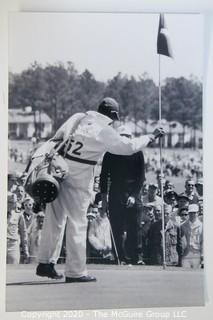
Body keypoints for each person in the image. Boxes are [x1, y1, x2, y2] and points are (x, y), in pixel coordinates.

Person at [33, 97, 164, 282]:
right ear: (114, 114)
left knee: (54, 218)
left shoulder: (78, 117)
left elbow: (58, 137)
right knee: (78, 223)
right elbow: (128, 147)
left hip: (59, 169)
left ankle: (45, 262)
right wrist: (150, 136)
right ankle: (75, 272)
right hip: (80, 175)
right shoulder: (105, 130)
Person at [100, 124, 145, 265]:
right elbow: (103, 177)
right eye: (122, 137)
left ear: (131, 138)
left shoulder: (137, 153)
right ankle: (120, 257)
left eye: (127, 137)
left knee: (135, 227)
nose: (124, 140)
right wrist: (104, 199)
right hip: (116, 193)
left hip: (134, 193)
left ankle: (137, 257)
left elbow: (141, 177)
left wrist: (133, 195)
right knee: (117, 227)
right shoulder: (110, 153)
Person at [7, 192, 29, 264]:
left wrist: (25, 250)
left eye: (13, 202)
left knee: (13, 268)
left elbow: (23, 233)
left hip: (12, 245)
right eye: (9, 202)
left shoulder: (18, 215)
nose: (11, 204)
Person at [179, 204, 203, 269]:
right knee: (185, 274)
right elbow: (180, 240)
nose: (192, 215)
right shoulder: (182, 226)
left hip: (197, 253)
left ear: (198, 213)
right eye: (190, 213)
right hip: (186, 253)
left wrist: (202, 255)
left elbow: (203, 242)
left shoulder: (202, 226)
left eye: (194, 213)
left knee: (196, 274)